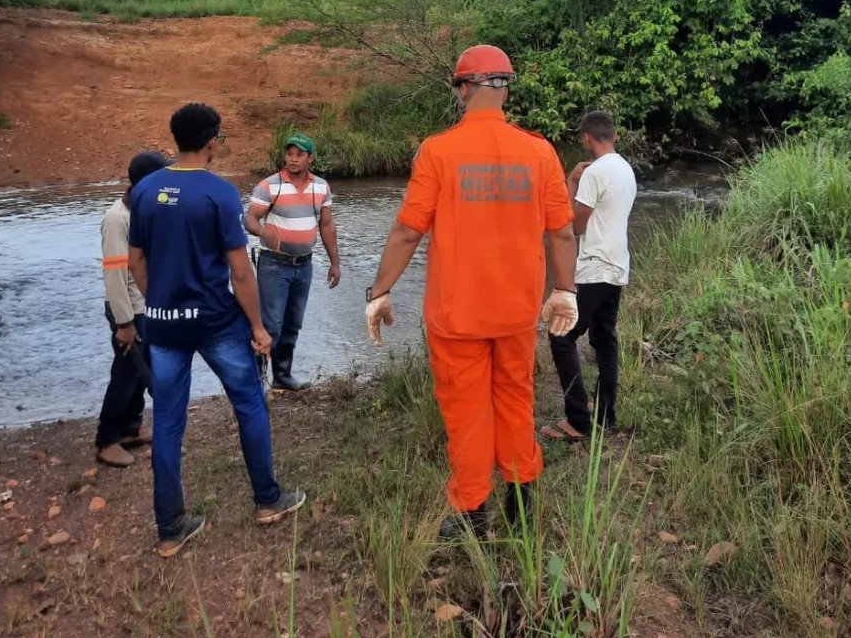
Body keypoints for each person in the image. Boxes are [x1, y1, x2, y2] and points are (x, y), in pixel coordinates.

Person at [365, 45, 578, 538]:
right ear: (505, 88)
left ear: (463, 89)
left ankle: (471, 512)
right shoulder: (540, 151)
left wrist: (379, 291)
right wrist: (564, 290)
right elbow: (562, 233)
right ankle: (521, 501)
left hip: (457, 315)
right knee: (515, 399)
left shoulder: (439, 151)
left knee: (465, 411)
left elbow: (406, 232)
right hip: (517, 313)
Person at [128, 103, 305, 558]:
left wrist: (159, 304)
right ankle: (268, 501)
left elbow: (136, 262)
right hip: (216, 321)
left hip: (163, 325)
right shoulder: (221, 194)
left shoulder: (146, 190)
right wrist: (258, 327)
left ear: (175, 138)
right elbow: (240, 273)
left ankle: (170, 529)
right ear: (212, 142)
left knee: (167, 420)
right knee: (248, 402)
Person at [541, 110, 637, 441]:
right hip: (618, 266)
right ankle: (605, 416)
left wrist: (571, 182)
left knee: (561, 336)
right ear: (613, 136)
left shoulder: (595, 173)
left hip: (594, 265)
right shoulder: (626, 170)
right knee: (605, 338)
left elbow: (572, 225)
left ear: (586, 138)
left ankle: (578, 420)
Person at [244, 133, 340, 392]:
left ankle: (282, 376)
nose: (293, 159)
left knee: (293, 322)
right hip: (274, 264)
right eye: (290, 153)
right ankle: (255, 381)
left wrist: (335, 262)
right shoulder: (270, 186)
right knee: (270, 323)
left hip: (305, 265)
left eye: (299, 154)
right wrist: (263, 232)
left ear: (311, 158)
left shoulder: (321, 187)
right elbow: (250, 218)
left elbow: (327, 225)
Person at [95, 150, 169, 467]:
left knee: (141, 373)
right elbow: (114, 274)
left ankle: (129, 428)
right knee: (126, 373)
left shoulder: (143, 211)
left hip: (145, 304)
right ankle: (106, 439)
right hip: (126, 309)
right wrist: (124, 323)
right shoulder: (116, 219)